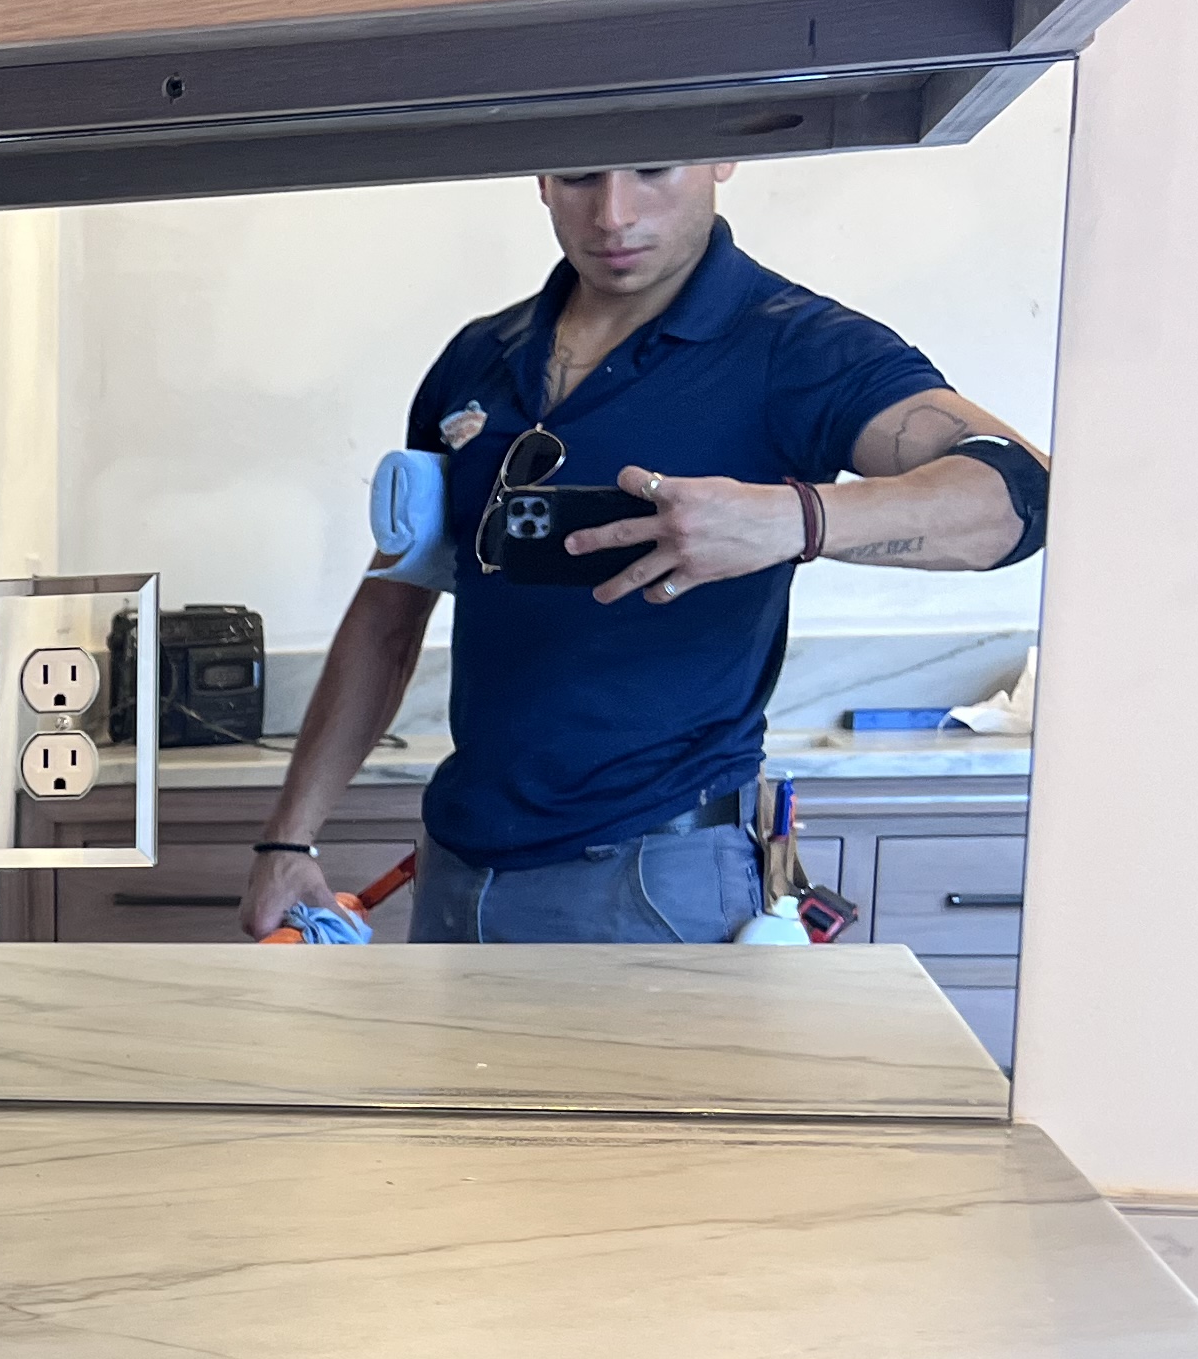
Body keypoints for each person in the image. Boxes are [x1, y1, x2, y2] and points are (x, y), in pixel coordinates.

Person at [238, 163, 1049, 944]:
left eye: (653, 170)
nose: (614, 214)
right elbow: (390, 607)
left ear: (721, 157)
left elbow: (1023, 494)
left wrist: (795, 520)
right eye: (582, 175)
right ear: (541, 179)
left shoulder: (796, 347)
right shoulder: (479, 359)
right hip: (457, 868)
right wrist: (288, 839)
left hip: (660, 876)